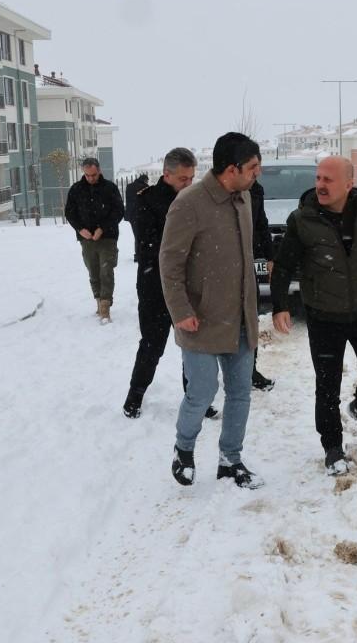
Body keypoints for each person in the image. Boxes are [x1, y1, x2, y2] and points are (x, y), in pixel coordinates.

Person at [271, 156, 357, 477]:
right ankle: (332, 447)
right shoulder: (302, 220)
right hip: (323, 316)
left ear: (349, 183)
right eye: (318, 178)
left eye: (328, 179)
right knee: (327, 387)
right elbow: (284, 264)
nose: (320, 184)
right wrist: (279, 305)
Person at [160, 133, 263, 489]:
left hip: (240, 316)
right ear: (231, 169)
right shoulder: (189, 203)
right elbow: (169, 264)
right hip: (199, 317)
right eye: (252, 167)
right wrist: (180, 310)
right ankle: (183, 448)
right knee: (202, 391)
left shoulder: (245, 198)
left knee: (239, 392)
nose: (256, 174)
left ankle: (230, 459)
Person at [122, 148, 217, 420]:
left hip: (190, 283)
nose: (188, 184)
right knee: (153, 343)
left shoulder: (196, 200)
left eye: (191, 178)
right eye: (183, 179)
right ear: (167, 174)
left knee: (194, 345)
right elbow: (149, 245)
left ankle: (197, 399)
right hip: (155, 283)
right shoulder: (146, 201)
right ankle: (135, 395)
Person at [65, 157, 125, 322]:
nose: (91, 178)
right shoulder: (76, 189)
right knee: (93, 272)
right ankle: (98, 301)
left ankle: (105, 305)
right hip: (87, 239)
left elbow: (119, 210)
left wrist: (103, 228)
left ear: (99, 171)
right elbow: (70, 212)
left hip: (108, 237)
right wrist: (80, 229)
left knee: (106, 270)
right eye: (88, 175)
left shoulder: (110, 188)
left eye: (94, 175)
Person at [249, 179, 276, 392]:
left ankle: (250, 370)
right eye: (252, 166)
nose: (257, 171)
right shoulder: (221, 191)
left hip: (252, 262)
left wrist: (269, 256)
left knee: (252, 317)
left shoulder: (256, 189)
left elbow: (261, 223)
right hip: (224, 266)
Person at [124, 172, 149, 262]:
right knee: (140, 235)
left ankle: (138, 254)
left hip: (131, 215)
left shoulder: (129, 186)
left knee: (137, 235)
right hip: (140, 214)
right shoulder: (145, 187)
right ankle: (139, 255)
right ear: (145, 180)